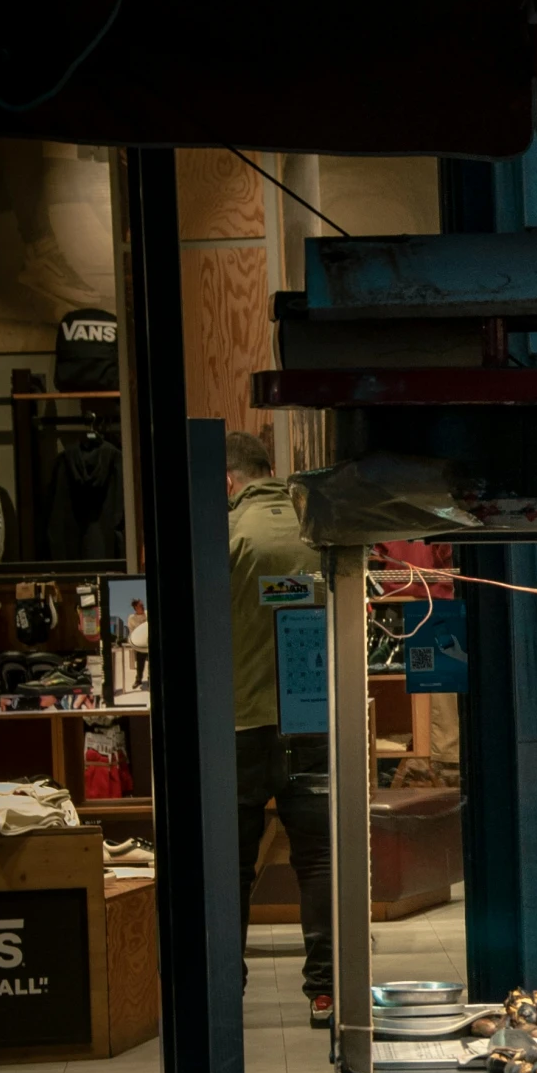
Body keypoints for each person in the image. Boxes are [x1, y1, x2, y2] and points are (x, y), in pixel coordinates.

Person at [225, 431, 333, 1028]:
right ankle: (324, 991)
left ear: (229, 481)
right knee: (316, 860)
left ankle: (226, 988)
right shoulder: (314, 528)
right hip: (309, 724)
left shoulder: (226, 536)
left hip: (242, 726)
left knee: (235, 864)